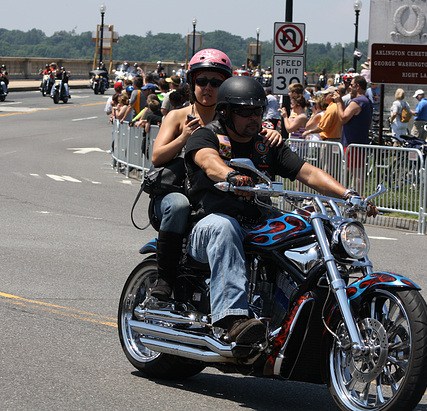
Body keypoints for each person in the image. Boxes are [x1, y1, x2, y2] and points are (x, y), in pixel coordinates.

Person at [183, 76, 377, 345]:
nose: (254, 117)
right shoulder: (207, 135)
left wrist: (349, 194)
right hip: (207, 223)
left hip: (256, 219)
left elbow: (307, 172)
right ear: (225, 111)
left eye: (259, 110)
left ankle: (296, 312)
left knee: (304, 225)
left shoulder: (265, 143)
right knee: (224, 227)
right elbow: (208, 161)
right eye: (245, 111)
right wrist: (230, 176)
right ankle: (234, 320)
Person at [148, 48, 282, 300]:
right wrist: (185, 138)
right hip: (179, 189)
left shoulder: (232, 116)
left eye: (215, 82)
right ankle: (165, 277)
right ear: (191, 83)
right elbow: (157, 157)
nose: (207, 87)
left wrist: (273, 134)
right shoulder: (178, 116)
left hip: (217, 192)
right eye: (201, 81)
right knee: (178, 206)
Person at [337, 75, 373, 194]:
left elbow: (343, 118)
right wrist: (341, 101)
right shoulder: (366, 100)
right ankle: (347, 195)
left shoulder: (357, 101)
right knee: (353, 170)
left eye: (351, 85)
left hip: (353, 143)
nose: (349, 88)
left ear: (357, 86)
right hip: (358, 142)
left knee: (357, 172)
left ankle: (357, 198)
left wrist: (338, 103)